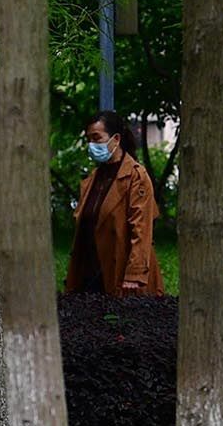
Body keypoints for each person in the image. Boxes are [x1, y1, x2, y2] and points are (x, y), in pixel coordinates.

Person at [65, 111, 163, 295]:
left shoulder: (135, 176)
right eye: (88, 139)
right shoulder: (94, 179)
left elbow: (141, 228)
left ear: (116, 139)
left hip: (122, 276)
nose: (92, 145)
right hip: (90, 273)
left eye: (97, 138)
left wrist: (134, 274)